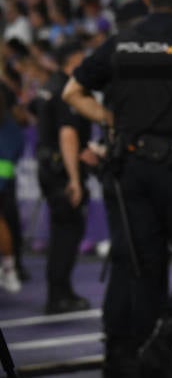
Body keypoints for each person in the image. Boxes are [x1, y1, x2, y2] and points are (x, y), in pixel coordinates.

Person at [63, 0, 172, 378]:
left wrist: (114, 120)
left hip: (131, 167)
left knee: (142, 266)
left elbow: (72, 92)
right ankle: (163, 340)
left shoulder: (121, 42)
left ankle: (143, 357)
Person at [34, 44, 94, 314]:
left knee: (62, 231)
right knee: (67, 233)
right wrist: (74, 179)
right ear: (75, 60)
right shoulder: (67, 90)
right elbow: (67, 134)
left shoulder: (50, 85)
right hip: (61, 169)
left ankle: (61, 290)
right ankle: (59, 294)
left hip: (48, 165)